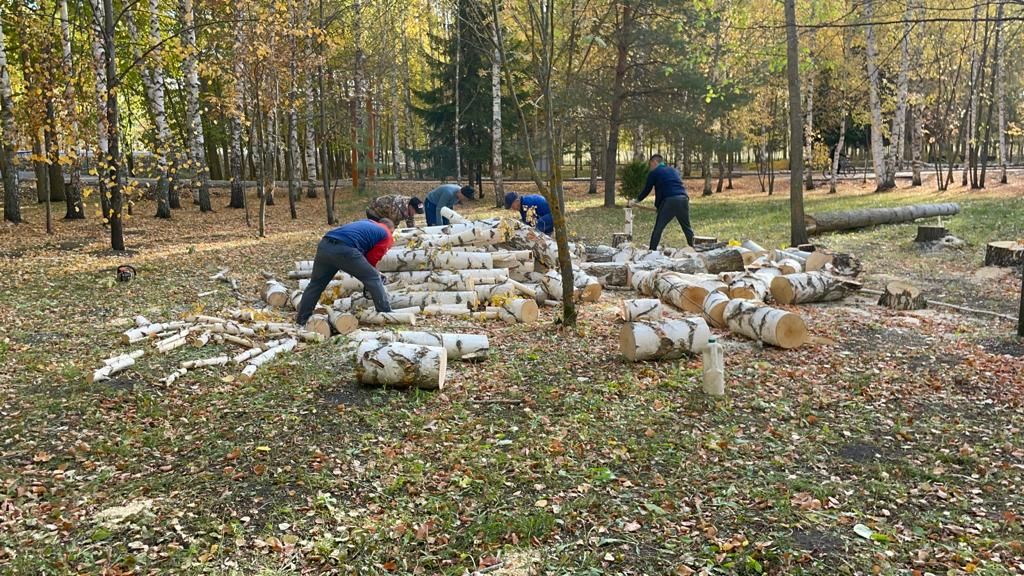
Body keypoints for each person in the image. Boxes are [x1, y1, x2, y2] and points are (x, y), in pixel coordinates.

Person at [295, 218, 394, 325]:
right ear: (391, 229)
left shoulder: (368, 222)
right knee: (373, 277)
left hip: (325, 244)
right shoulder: (387, 234)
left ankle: (302, 319)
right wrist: (375, 273)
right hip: (344, 249)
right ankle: (385, 314)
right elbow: (371, 259)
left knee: (316, 284)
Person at [631, 153, 695, 250]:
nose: (650, 167)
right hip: (683, 199)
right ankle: (695, 248)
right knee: (687, 228)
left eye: (650, 164)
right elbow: (670, 186)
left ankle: (651, 252)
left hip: (670, 200)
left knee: (658, 229)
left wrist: (636, 200)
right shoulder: (673, 170)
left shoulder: (654, 173)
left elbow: (647, 189)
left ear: (655, 162)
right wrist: (660, 207)